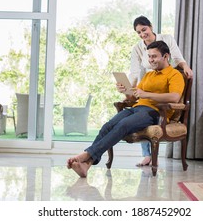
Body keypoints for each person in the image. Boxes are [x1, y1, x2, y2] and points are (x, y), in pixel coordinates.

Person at [67, 41, 185, 178]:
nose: (150, 60)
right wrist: (125, 92)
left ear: (166, 56)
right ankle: (87, 164)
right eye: (149, 56)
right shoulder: (149, 75)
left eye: (154, 56)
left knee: (123, 125)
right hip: (137, 108)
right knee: (107, 126)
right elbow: (135, 96)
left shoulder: (174, 74)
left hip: (154, 112)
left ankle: (87, 154)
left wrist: (146, 94)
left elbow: (175, 97)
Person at [129, 15, 193, 166]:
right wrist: (130, 91)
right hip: (148, 80)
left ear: (150, 26)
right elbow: (134, 72)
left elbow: (177, 57)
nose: (142, 34)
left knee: (146, 113)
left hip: (164, 82)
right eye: (138, 32)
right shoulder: (137, 48)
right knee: (141, 110)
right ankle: (146, 154)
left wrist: (185, 67)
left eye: (144, 30)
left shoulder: (167, 39)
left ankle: (151, 154)